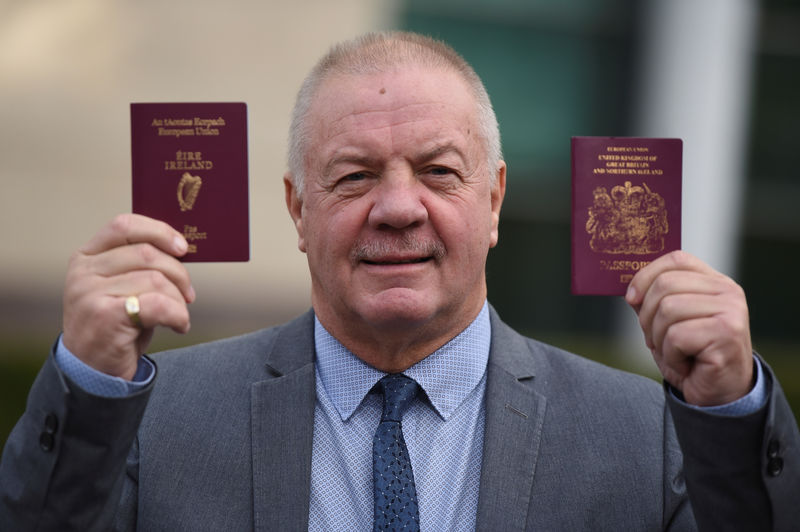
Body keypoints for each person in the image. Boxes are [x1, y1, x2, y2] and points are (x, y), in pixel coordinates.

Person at [1, 31, 798, 531]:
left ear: (493, 203)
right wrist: (87, 386)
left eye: (438, 171)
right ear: (298, 210)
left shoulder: (647, 433)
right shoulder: (154, 416)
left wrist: (731, 407)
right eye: (353, 176)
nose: (396, 208)